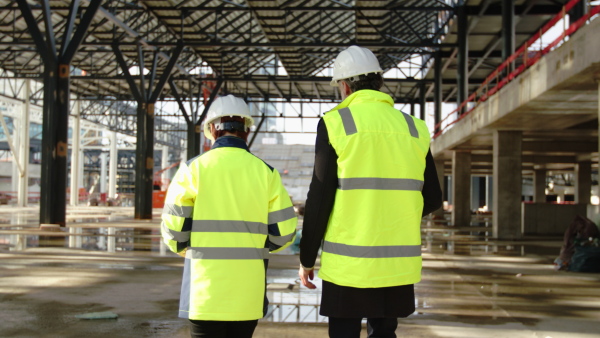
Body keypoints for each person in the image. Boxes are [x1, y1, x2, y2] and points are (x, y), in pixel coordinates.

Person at [298, 46, 443, 338]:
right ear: (379, 82)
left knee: (344, 332)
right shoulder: (414, 128)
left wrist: (307, 258)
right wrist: (396, 213)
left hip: (349, 266)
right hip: (396, 265)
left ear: (345, 85)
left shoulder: (335, 124)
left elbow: (320, 198)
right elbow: (433, 198)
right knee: (385, 333)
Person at [161, 94, 297, 338]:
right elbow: (284, 231)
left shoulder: (193, 169)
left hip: (205, 293)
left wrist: (185, 248)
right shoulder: (266, 173)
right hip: (248, 294)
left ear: (212, 129)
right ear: (246, 130)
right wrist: (259, 246)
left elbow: (174, 230)